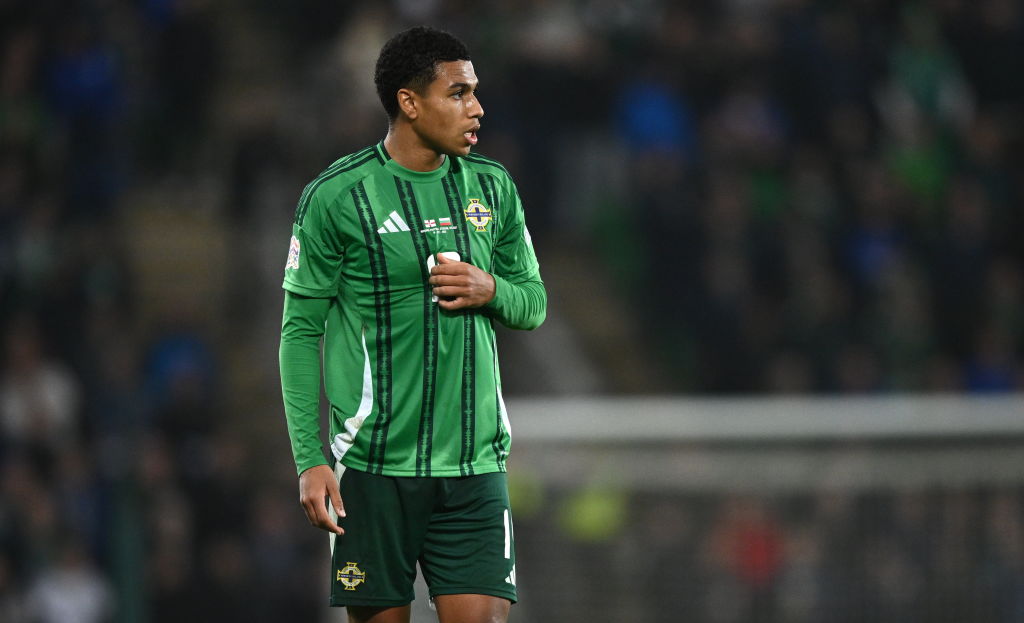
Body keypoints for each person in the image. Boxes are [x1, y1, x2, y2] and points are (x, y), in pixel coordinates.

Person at [278, 26, 546, 623]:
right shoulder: (336, 197)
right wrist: (310, 457)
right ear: (409, 102)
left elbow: (534, 303)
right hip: (374, 471)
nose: (476, 107)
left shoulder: (493, 187)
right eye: (458, 93)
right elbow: (300, 332)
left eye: (474, 92)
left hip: (475, 468)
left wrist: (491, 287)